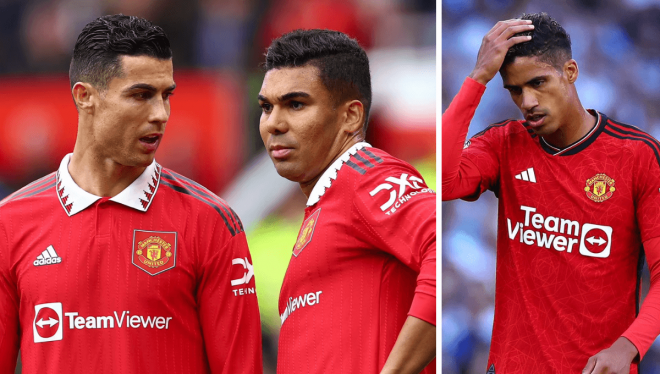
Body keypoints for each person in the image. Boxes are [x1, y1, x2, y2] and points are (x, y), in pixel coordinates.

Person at [0, 15, 262, 373]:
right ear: (85, 97)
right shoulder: (9, 224)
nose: (161, 114)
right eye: (141, 95)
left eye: (166, 95)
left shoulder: (212, 222)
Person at [443, 12, 660, 374]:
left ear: (570, 72)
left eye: (538, 82)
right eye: (515, 90)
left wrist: (628, 347)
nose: (527, 101)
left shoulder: (637, 156)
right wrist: (477, 77)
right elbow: (448, 183)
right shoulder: (503, 144)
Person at [257, 29, 436, 374]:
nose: (274, 123)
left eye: (295, 104)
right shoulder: (325, 203)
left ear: (351, 117)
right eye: (267, 107)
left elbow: (438, 246)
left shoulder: (368, 176)